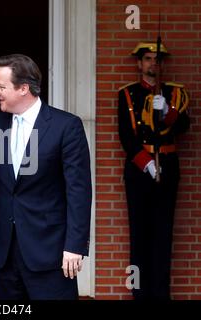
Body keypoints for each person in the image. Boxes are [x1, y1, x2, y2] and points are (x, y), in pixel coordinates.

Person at [0, 54, 92, 300]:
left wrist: (75, 245)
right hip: (6, 253)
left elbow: (79, 191)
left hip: (51, 252)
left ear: (23, 88)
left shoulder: (66, 126)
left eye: (1, 86)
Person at [118, 42, 190, 300]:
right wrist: (146, 163)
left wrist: (167, 112)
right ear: (139, 64)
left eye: (156, 60)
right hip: (140, 171)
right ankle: (140, 295)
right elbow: (126, 136)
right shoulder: (128, 94)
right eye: (147, 59)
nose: (152, 64)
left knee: (163, 235)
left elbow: (184, 126)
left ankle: (161, 295)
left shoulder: (174, 94)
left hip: (168, 168)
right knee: (139, 235)